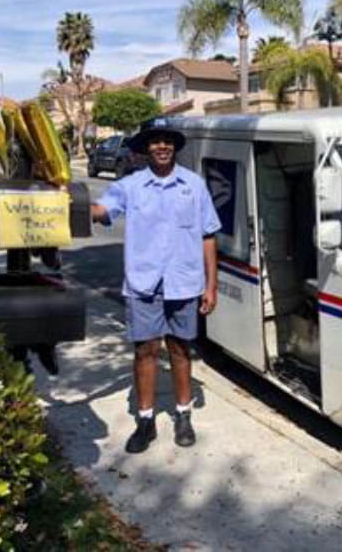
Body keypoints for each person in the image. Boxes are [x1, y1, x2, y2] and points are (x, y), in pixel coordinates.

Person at [90, 117, 220, 452]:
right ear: (145, 148)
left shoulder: (194, 185)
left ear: (174, 146)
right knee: (145, 351)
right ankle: (145, 421)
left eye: (167, 140)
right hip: (143, 284)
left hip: (184, 283)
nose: (161, 146)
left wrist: (211, 285)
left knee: (180, 349)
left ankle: (183, 414)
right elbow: (101, 210)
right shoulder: (130, 187)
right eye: (154, 141)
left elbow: (208, 235)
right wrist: (65, 199)